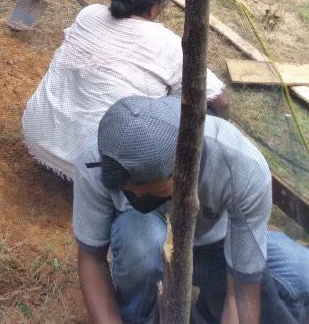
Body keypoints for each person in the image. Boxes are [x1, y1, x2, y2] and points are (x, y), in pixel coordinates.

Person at [73, 95, 309, 324]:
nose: (137, 195)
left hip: (217, 245)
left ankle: (209, 308)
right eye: (129, 192)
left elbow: (243, 287)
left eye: (148, 191)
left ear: (180, 171)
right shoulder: (94, 161)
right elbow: (92, 259)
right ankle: (138, 316)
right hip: (144, 245)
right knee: (141, 244)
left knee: (301, 274)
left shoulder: (242, 167)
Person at [22, 0, 228, 178]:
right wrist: (222, 133)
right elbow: (220, 101)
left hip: (37, 138)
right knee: (189, 104)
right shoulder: (168, 44)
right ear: (154, 7)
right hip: (100, 167)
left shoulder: (88, 14)